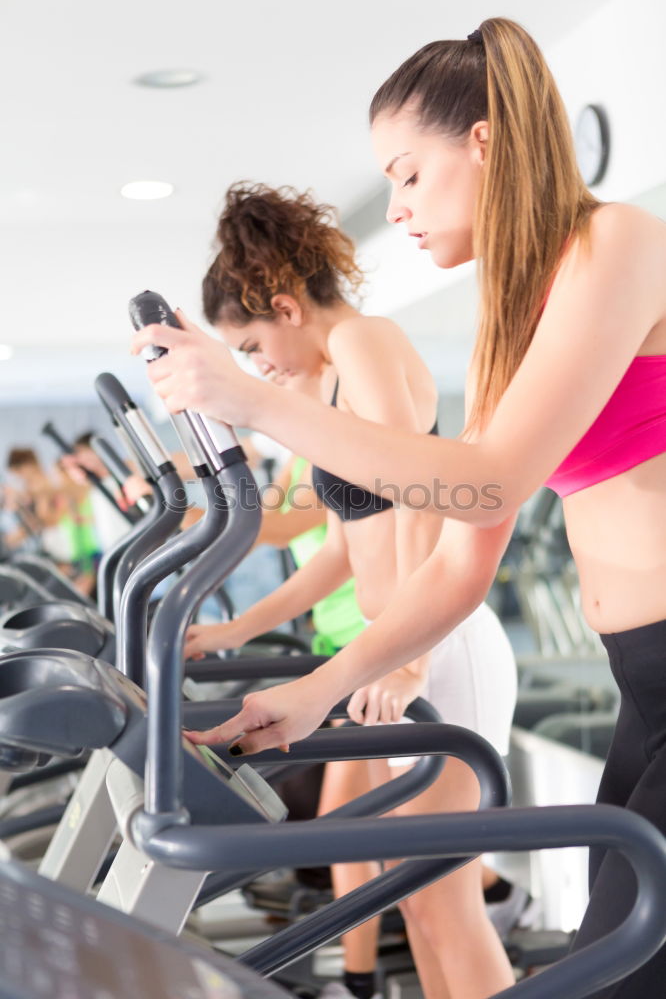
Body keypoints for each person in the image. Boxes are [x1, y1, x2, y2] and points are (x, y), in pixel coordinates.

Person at [132, 18, 666, 998]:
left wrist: (255, 402)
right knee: (608, 948)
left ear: (487, 142)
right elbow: (464, 558)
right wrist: (315, 686)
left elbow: (491, 478)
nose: (400, 206)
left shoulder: (617, 240)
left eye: (408, 173)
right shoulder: (507, 329)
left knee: (616, 963)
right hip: (643, 686)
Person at [179, 186, 516, 999]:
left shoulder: (364, 340)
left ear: (287, 306)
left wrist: (409, 659)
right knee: (422, 904)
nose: (260, 368)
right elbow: (334, 549)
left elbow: (419, 495)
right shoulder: (326, 387)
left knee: (447, 902)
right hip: (394, 651)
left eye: (255, 347)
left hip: (436, 647)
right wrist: (234, 634)